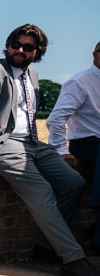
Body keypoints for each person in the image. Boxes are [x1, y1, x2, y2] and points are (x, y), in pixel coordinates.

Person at [0, 25, 99, 276]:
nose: (19, 50)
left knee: (74, 183)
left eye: (27, 47)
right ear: (8, 45)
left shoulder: (33, 74)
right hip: (2, 144)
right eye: (15, 44)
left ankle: (45, 248)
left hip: (33, 143)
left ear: (38, 52)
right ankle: (73, 260)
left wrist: (59, 150)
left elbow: (30, 117)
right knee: (42, 191)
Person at [47, 40, 100, 254]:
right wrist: (61, 151)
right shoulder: (81, 81)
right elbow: (56, 119)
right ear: (95, 54)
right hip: (88, 144)